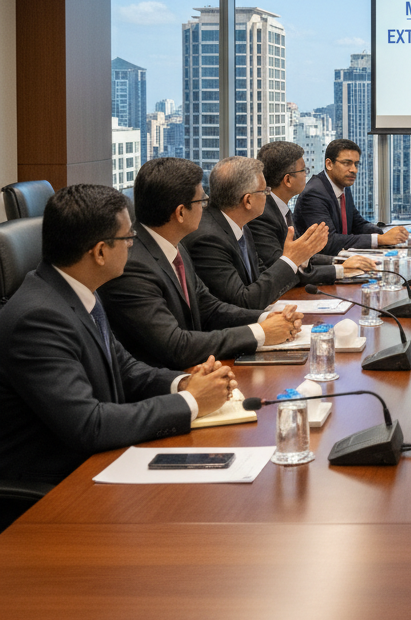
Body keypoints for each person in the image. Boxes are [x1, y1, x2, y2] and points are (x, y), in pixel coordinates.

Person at [0, 185, 235, 486]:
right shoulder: (37, 320)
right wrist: (192, 402)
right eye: (128, 238)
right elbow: (90, 424)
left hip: (102, 462)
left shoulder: (80, 292)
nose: (133, 245)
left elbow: (123, 368)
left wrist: (183, 383)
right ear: (99, 252)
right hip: (56, 489)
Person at [100, 157, 304, 370]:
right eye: (202, 201)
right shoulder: (133, 267)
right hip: (164, 384)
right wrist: (261, 332)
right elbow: (176, 345)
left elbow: (209, 309)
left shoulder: (175, 247)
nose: (206, 207)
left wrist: (267, 318)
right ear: (180, 212)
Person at [180, 156, 329, 310]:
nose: (268, 195)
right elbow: (243, 301)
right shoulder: (208, 240)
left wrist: (297, 258)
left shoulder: (241, 226)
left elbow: (261, 279)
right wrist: (290, 259)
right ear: (248, 200)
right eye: (265, 191)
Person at [251, 141, 377, 282]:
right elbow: (284, 269)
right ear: (287, 180)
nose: (306, 175)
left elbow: (303, 255)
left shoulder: (281, 209)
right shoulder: (262, 215)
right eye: (303, 170)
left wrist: (339, 261)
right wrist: (341, 270)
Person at [294, 139, 408, 254]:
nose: (354, 170)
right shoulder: (314, 193)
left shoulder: (342, 186)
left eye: (356, 164)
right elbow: (328, 242)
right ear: (329, 164)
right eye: (346, 163)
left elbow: (357, 224)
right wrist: (380, 239)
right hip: (320, 265)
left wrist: (387, 233)